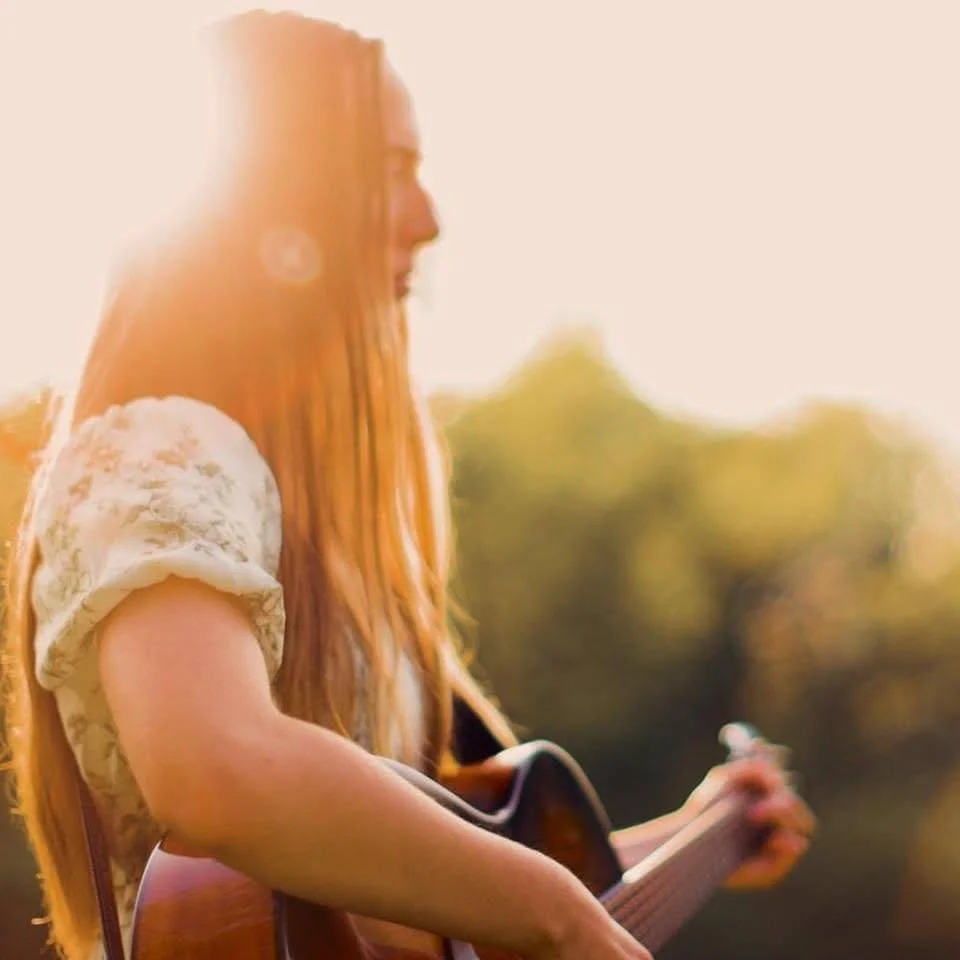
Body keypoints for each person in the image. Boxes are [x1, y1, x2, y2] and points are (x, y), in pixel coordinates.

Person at [1, 11, 815, 960]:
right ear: (270, 194)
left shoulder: (302, 525)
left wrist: (701, 834)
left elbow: (411, 904)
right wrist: (557, 915)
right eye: (390, 167)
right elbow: (219, 772)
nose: (430, 217)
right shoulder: (156, 452)